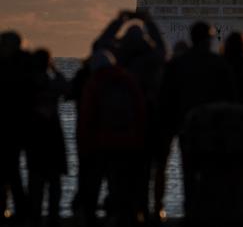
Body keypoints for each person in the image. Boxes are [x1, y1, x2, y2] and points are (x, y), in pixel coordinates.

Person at [158, 21, 238, 222]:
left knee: (188, 170)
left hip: (186, 127)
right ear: (209, 39)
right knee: (212, 171)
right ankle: (211, 212)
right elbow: (231, 97)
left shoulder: (177, 64)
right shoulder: (219, 63)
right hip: (213, 127)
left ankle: (190, 211)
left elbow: (166, 96)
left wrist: (170, 125)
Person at [78, 49, 147, 227]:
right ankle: (124, 216)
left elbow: (87, 114)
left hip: (101, 141)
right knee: (122, 183)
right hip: (127, 140)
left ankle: (91, 216)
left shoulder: (94, 82)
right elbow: (140, 109)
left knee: (95, 182)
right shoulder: (128, 79)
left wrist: (85, 142)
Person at [26, 49, 69, 227]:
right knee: (54, 182)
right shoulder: (53, 84)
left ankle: (34, 215)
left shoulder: (28, 85)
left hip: (35, 139)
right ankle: (53, 216)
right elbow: (67, 87)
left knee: (35, 181)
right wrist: (55, 69)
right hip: (53, 138)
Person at [0, 31, 31, 221]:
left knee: (9, 173)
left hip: (8, 129)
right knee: (14, 174)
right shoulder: (25, 66)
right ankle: (22, 212)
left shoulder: (6, 67)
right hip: (20, 129)